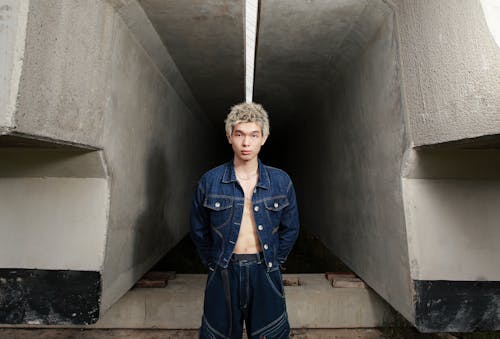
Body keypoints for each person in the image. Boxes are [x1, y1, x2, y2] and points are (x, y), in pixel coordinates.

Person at [190, 102, 300, 339]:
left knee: (270, 335)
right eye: (239, 134)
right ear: (230, 136)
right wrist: (213, 262)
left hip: (265, 270)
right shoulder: (210, 181)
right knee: (217, 335)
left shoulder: (281, 181)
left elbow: (291, 228)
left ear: (264, 137)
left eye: (253, 135)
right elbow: (198, 229)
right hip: (223, 271)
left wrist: (275, 261)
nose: (246, 143)